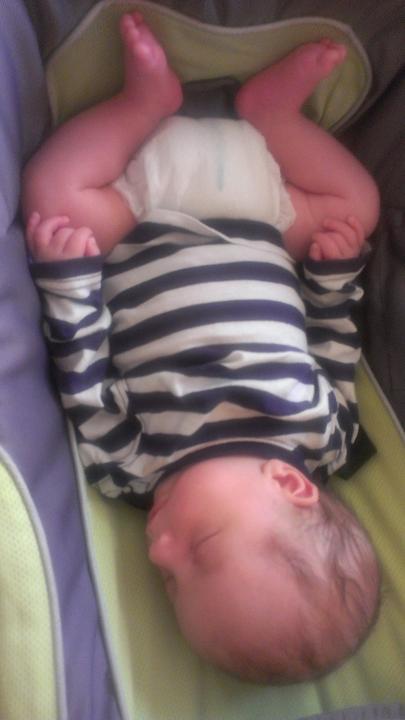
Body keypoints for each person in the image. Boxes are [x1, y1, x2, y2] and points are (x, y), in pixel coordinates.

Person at [22, 12, 381, 684]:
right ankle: (274, 115)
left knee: (51, 197)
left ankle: (141, 105)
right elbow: (334, 347)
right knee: (357, 204)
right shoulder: (326, 438)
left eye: (170, 582)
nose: (159, 550)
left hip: (137, 213)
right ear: (290, 484)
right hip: (266, 217)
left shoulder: (132, 467)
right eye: (203, 548)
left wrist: (70, 283)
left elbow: (84, 376)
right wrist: (333, 278)